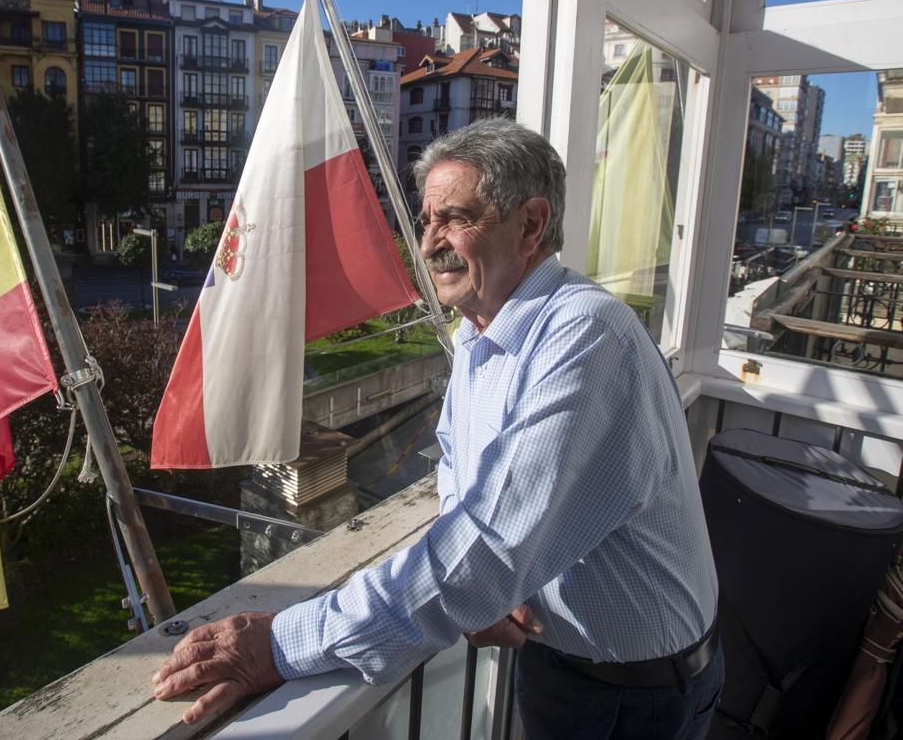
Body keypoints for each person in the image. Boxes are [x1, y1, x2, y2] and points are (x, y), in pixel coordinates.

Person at [152, 118, 722, 738]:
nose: (428, 245)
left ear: (530, 225)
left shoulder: (586, 337)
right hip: (567, 664)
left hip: (635, 699)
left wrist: (285, 642)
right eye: (426, 221)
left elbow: (487, 547)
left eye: (455, 218)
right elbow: (457, 463)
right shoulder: (479, 336)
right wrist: (494, 590)